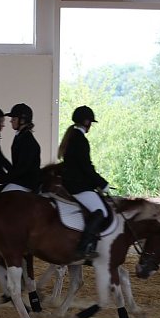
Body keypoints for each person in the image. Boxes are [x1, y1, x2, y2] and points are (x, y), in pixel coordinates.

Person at [59, 105, 109, 260]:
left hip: (71, 183)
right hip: (78, 186)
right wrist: (102, 183)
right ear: (86, 122)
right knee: (101, 211)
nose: (91, 126)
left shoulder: (72, 136)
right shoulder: (80, 140)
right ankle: (85, 247)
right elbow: (86, 167)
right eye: (90, 123)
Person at [0, 103, 41, 193]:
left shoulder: (28, 140)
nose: (11, 121)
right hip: (19, 180)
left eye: (14, 119)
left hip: (27, 183)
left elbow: (23, 168)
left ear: (22, 120)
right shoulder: (20, 136)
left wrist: (5, 178)